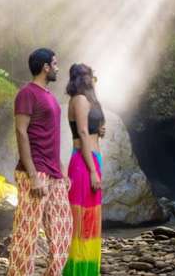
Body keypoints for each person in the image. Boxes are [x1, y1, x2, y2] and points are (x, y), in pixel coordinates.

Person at [7, 48, 73, 276]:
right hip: (34, 173)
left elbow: (52, 134)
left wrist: (62, 167)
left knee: (63, 232)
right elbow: (21, 131)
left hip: (54, 173)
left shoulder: (49, 96)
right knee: (27, 235)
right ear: (45, 67)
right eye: (55, 63)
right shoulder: (27, 93)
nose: (57, 67)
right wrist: (33, 175)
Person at [63, 63, 106, 276]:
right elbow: (81, 132)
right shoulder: (79, 100)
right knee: (81, 220)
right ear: (82, 78)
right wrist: (92, 171)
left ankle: (90, 270)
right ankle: (78, 272)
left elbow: (89, 129)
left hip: (91, 160)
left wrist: (99, 129)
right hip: (82, 163)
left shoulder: (86, 100)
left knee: (91, 218)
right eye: (89, 75)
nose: (92, 79)